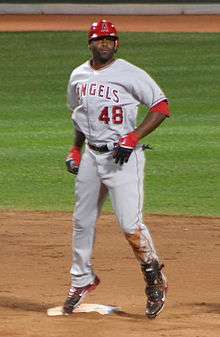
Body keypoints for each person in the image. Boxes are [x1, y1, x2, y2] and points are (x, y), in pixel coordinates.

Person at [63, 19, 171, 319]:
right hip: (91, 158)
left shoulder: (130, 73)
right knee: (82, 220)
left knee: (130, 226)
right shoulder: (78, 76)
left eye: (111, 39)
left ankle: (155, 280)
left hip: (123, 159)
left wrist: (134, 136)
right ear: (90, 43)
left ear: (117, 44)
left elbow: (161, 106)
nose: (106, 43)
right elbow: (81, 116)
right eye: (100, 39)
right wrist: (75, 148)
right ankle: (81, 279)